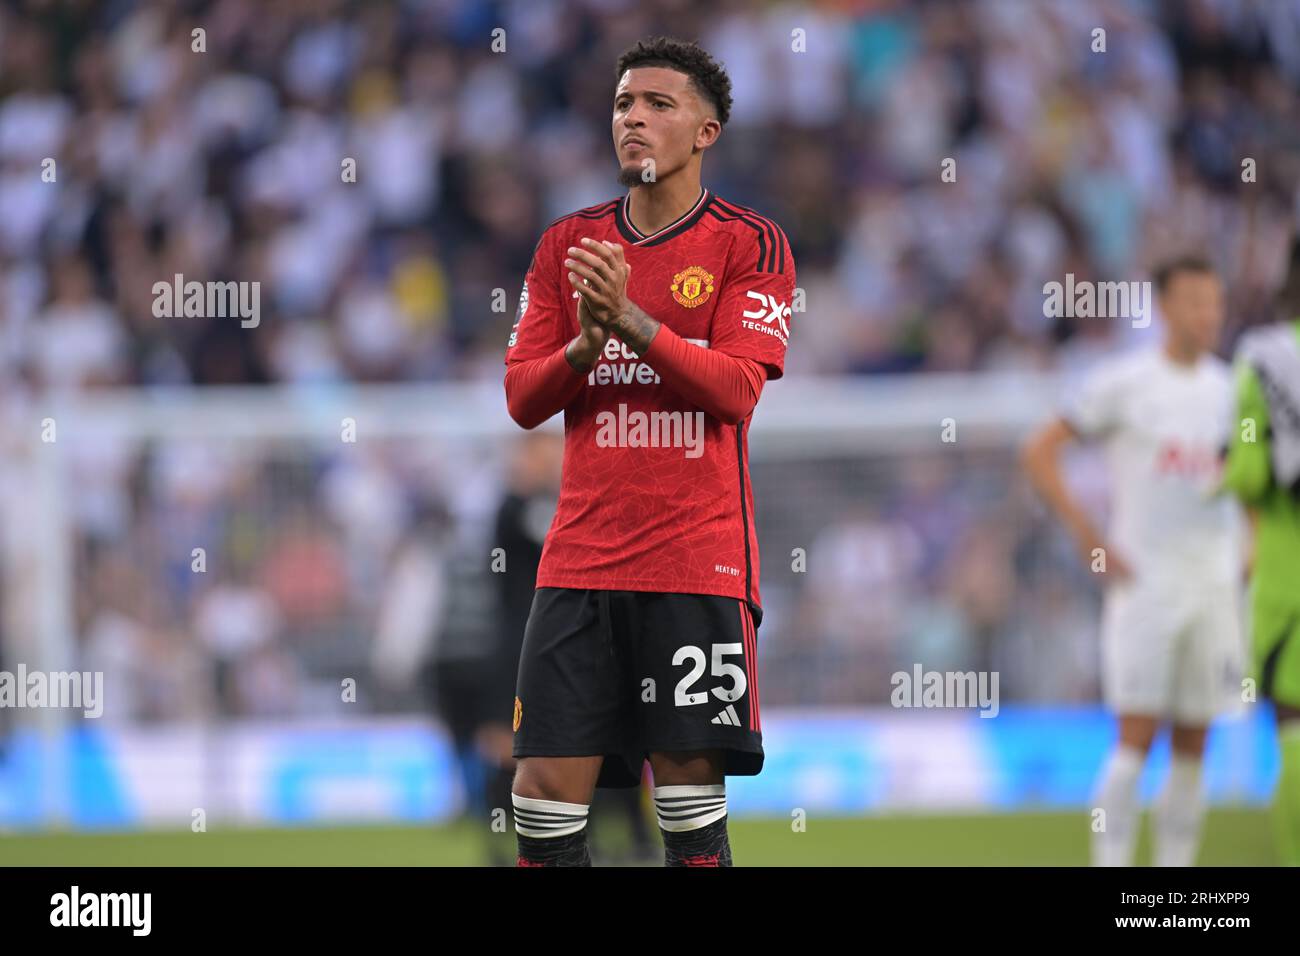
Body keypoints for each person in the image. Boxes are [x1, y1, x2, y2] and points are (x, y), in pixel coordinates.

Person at [502, 36, 795, 867]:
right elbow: (524, 399)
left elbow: (737, 390)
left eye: (658, 105)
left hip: (695, 564)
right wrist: (584, 348)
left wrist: (633, 323)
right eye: (625, 104)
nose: (634, 118)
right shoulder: (569, 245)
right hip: (578, 565)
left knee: (688, 804)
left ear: (705, 132)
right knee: (544, 800)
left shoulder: (751, 245)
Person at [1021, 256, 1243, 866]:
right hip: (1145, 584)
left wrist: (1246, 555)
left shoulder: (1231, 390)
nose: (1208, 315)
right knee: (1135, 741)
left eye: (1215, 302)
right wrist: (1088, 538)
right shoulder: (1124, 382)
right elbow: (1040, 451)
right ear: (1167, 307)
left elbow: (1247, 487)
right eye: (1195, 302)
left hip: (1215, 585)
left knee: (1196, 741)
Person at [1222, 238, 1300, 866]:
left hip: (1286, 574)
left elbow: (1248, 467)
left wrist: (1237, 464)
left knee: (1295, 731)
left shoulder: (1263, 360)